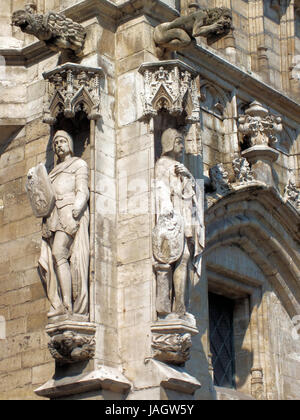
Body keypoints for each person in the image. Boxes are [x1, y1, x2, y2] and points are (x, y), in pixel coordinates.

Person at [38, 130, 90, 318]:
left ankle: (67, 302)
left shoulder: (79, 164)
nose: (59, 145)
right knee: (56, 257)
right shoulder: (52, 172)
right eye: (56, 143)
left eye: (62, 141)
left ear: (69, 143)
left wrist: (78, 206)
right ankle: (62, 301)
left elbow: (82, 190)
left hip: (69, 211)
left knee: (59, 252)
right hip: (54, 215)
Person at [154, 128, 204, 318]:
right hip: (172, 216)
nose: (182, 146)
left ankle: (180, 305)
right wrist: (167, 214)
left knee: (184, 258)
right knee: (175, 257)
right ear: (169, 143)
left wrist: (188, 177)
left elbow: (193, 194)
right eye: (178, 142)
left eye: (182, 142)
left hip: (185, 215)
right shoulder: (162, 164)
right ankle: (171, 305)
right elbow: (161, 189)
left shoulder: (181, 167)